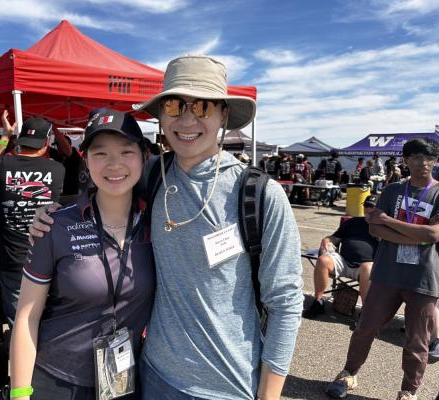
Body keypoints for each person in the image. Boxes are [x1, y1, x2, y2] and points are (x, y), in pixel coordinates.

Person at [32, 55, 303, 400]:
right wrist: (54, 214)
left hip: (229, 385)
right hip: (153, 375)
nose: (188, 119)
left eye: (203, 107)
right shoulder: (152, 175)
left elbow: (286, 303)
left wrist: (269, 396)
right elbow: (108, 183)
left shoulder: (259, 195)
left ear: (223, 116)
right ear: (161, 115)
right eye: (175, 105)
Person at [10, 109, 154, 400]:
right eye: (100, 154)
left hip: (124, 380)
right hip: (56, 381)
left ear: (143, 156)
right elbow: (27, 315)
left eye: (126, 151)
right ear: (85, 160)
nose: (114, 164)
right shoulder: (54, 226)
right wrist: (20, 393)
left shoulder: (159, 225)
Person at [326, 138, 439, 400]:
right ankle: (348, 373)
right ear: (406, 160)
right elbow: (374, 228)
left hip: (424, 277)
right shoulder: (392, 191)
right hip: (387, 273)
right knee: (365, 328)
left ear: (436, 162)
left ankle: (408, 391)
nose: (423, 163)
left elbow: (435, 234)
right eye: (416, 157)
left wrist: (390, 222)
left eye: (430, 159)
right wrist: (419, 235)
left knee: (417, 341)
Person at [0, 112, 65, 324]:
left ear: (21, 140)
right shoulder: (57, 169)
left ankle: (19, 352)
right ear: (46, 142)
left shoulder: (1, 166)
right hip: (47, 252)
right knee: (48, 313)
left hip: (12, 255)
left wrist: (4, 137)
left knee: (18, 316)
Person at [302, 217, 377, 318]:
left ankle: (365, 313)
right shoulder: (352, 222)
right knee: (323, 260)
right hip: (344, 261)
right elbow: (335, 238)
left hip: (365, 266)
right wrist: (327, 239)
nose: (368, 209)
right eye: (366, 205)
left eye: (371, 206)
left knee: (367, 267)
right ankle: (318, 302)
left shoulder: (382, 227)